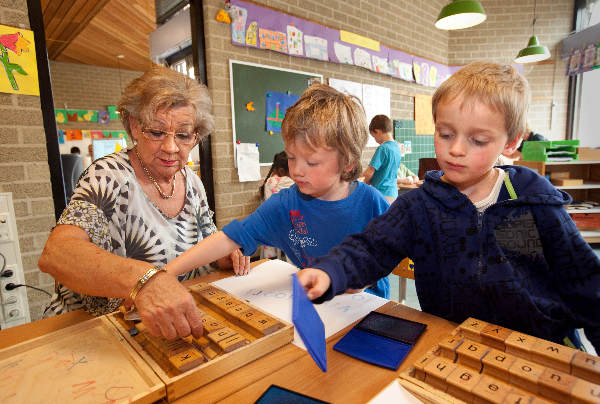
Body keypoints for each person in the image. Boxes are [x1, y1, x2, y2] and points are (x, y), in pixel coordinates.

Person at [297, 62, 600, 353]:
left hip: (540, 348)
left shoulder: (535, 201)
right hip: (454, 346)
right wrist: (330, 271)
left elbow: (586, 284)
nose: (455, 149)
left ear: (511, 143)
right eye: (445, 134)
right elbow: (371, 248)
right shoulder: (419, 205)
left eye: (478, 140)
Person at [38, 65, 250, 340]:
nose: (172, 147)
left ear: (196, 135)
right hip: (95, 331)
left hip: (160, 329)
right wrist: (145, 281)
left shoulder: (192, 182)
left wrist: (226, 255)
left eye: (184, 135)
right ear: (135, 126)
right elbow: (57, 254)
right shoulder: (109, 176)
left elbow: (204, 248)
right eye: (157, 132)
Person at [166, 83, 391, 298]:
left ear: (348, 163)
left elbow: (385, 259)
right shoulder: (285, 205)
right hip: (317, 308)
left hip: (370, 311)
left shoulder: (371, 203)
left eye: (312, 162)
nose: (297, 171)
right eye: (292, 158)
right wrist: (165, 273)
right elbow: (228, 238)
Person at [259, 151, 294, 259]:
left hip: (272, 229)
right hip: (287, 228)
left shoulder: (270, 182)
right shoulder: (290, 181)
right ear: (282, 171)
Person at [362, 114, 402, 204]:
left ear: (378, 131)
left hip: (381, 193)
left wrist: (365, 181)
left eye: (374, 137)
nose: (375, 140)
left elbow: (369, 172)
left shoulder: (383, 148)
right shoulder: (397, 147)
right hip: (393, 193)